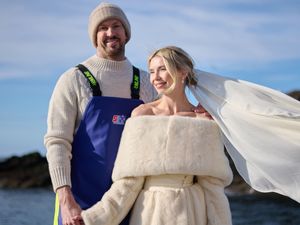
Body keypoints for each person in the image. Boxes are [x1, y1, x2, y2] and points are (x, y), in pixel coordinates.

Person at [44, 3, 210, 225]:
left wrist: (200, 111)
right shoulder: (73, 79)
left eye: (116, 26)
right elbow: (57, 142)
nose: (110, 33)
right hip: (80, 202)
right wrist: (65, 198)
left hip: (132, 202)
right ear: (94, 36)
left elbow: (169, 127)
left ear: (126, 33)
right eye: (103, 28)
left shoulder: (145, 81)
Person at [80, 46, 234, 225]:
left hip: (191, 213)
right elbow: (127, 184)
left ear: (183, 72)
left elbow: (212, 189)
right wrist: (92, 219)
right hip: (149, 213)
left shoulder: (203, 120)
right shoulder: (142, 115)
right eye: (152, 71)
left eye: (162, 69)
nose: (155, 77)